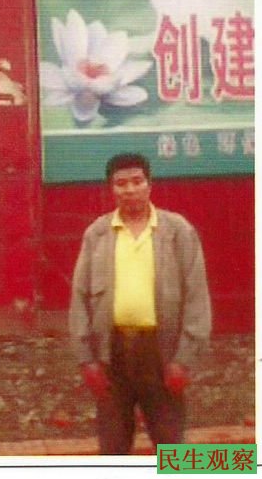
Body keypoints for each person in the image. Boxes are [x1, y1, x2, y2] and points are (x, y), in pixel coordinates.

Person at [69, 152, 211, 454]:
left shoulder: (178, 232)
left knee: (172, 448)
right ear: (111, 189)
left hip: (161, 354)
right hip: (112, 355)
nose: (130, 189)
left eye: (137, 181)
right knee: (113, 447)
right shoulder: (97, 234)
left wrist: (183, 360)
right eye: (121, 183)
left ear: (150, 184)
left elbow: (197, 300)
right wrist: (87, 361)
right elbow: (79, 299)